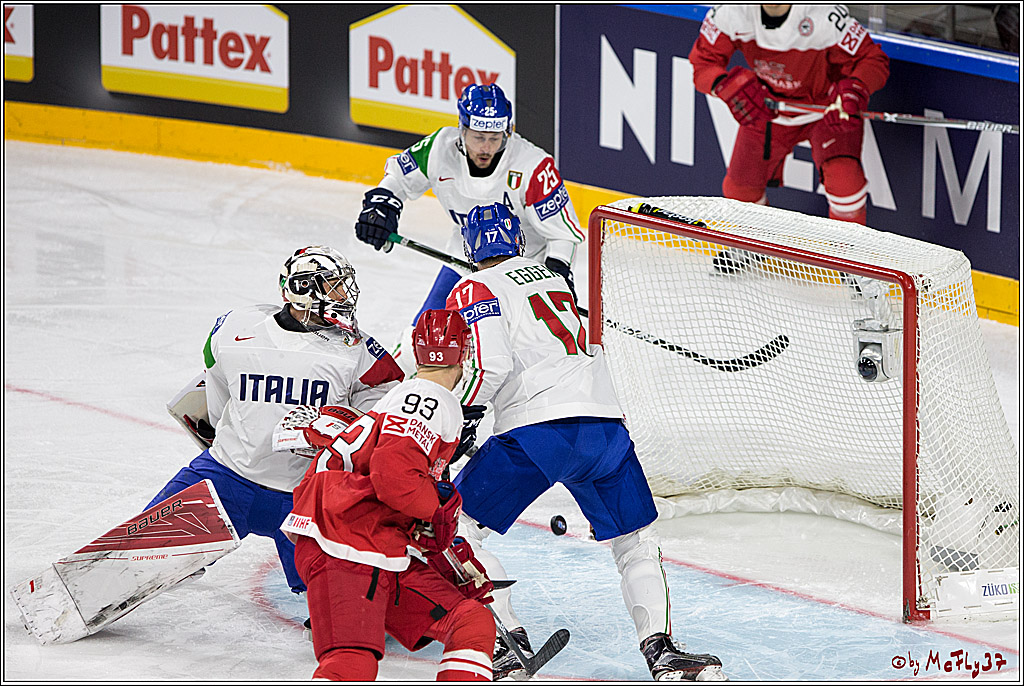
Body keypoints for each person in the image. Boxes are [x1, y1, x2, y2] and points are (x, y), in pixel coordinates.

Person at [443, 203, 727, 682]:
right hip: (605, 426)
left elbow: (488, 366)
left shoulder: (473, 286)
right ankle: (663, 653)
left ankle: (503, 641)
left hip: (537, 431)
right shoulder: (557, 278)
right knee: (635, 542)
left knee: (455, 526)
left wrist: (463, 416)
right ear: (516, 239)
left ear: (471, 247)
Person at [147, 246, 404, 596]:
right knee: (142, 553)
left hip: (309, 498)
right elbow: (218, 392)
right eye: (333, 286)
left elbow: (379, 423)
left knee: (356, 605)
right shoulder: (234, 329)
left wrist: (344, 426)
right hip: (226, 477)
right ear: (301, 290)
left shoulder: (358, 351)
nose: (345, 295)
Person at [278, 309, 497, 681]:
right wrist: (438, 515)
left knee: (471, 621)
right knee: (352, 661)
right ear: (467, 352)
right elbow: (393, 477)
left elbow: (394, 484)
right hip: (343, 539)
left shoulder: (405, 395)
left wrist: (440, 548)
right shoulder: (429, 397)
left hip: (373, 541)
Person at [353, 82, 585, 375]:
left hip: (524, 271)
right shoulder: (440, 148)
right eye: (478, 137)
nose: (486, 147)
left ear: (507, 131)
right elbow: (398, 177)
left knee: (523, 359)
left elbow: (563, 234)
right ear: (462, 129)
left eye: (495, 137)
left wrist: (557, 273)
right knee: (424, 340)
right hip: (464, 261)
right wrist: (381, 206)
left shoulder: (534, 166)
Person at [688, 4, 889, 245]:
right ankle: (752, 244)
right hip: (768, 110)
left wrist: (856, 91)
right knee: (739, 189)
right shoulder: (731, 11)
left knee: (845, 180)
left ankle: (852, 254)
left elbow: (872, 59)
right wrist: (725, 85)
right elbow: (703, 64)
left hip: (825, 111)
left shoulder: (825, 14)